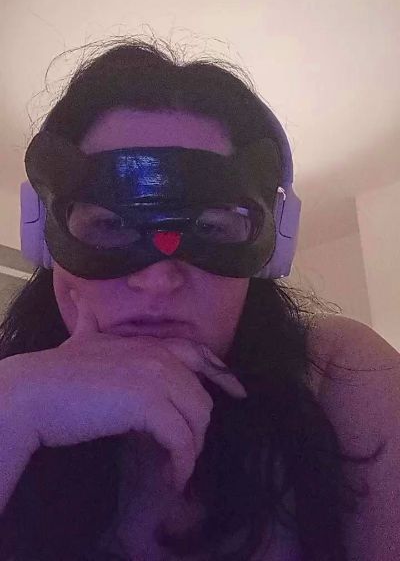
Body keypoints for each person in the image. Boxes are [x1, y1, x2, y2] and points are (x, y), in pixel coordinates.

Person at [0, 39, 398, 561]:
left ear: (273, 248)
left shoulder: (337, 376)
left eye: (211, 228)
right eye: (109, 225)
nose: (158, 280)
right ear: (43, 239)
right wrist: (13, 410)